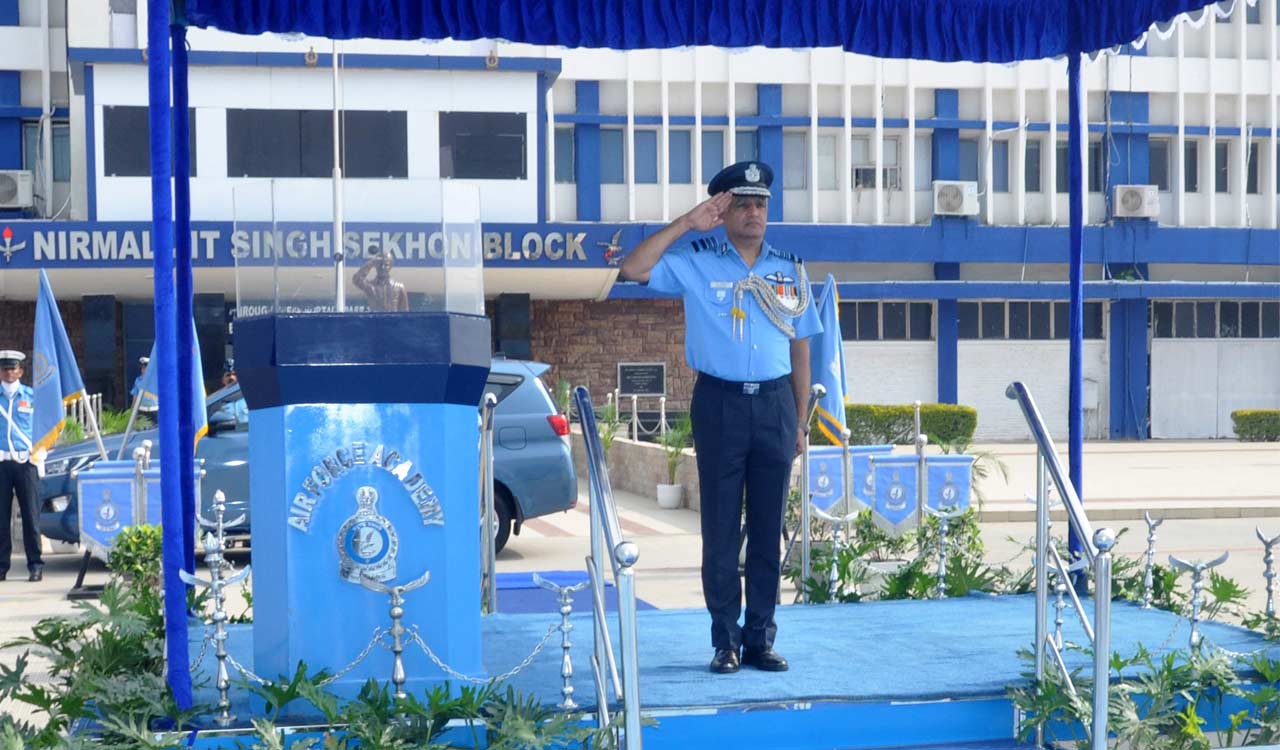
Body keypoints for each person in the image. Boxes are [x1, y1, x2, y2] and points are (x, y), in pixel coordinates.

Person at [619, 161, 821, 674]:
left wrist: (800, 420)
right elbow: (633, 268)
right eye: (742, 204)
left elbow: (800, 349)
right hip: (720, 404)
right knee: (721, 528)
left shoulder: (790, 270)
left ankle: (760, 639)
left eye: (760, 204)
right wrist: (686, 223)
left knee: (768, 528)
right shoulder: (697, 260)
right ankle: (725, 641)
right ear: (724, 211)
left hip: (775, 405)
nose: (753, 213)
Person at [0, 350, 44, 582]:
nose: (9, 372)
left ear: (20, 371)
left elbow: (43, 427)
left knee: (31, 516)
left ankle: (35, 565)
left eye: (13, 368)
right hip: (1, 462)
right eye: (5, 369)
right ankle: (1, 566)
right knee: (1, 518)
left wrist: (41, 453)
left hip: (26, 462)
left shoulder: (32, 396)